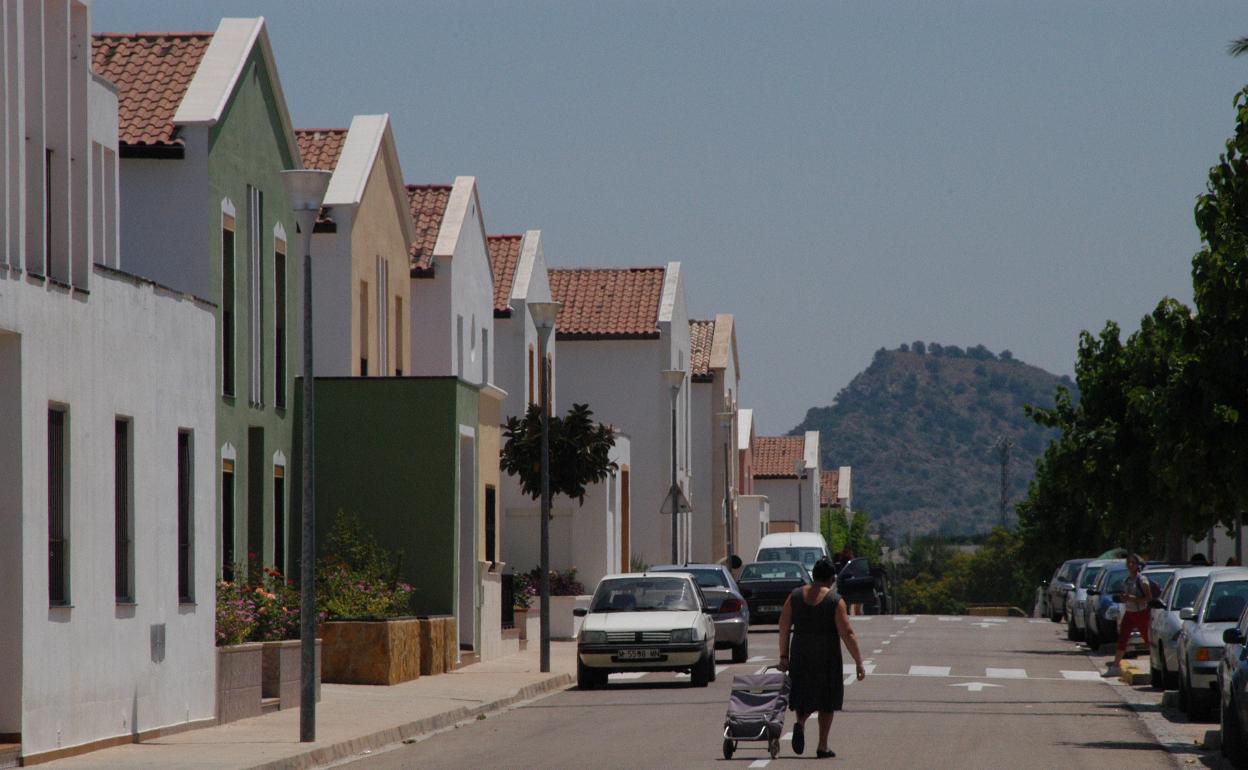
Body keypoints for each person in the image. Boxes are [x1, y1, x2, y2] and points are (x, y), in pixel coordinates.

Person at [777, 557, 866, 758]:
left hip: (800, 652)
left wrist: (784, 655)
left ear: (813, 575)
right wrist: (859, 661)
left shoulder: (795, 596)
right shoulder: (835, 600)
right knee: (827, 700)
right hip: (827, 655)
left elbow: (783, 626)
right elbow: (847, 633)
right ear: (832, 578)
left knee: (803, 695)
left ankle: (800, 722)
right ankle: (822, 745)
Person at [1107, 553, 1151, 676]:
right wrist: (1123, 598)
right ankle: (1115, 666)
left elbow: (1148, 598)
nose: (1130, 565)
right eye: (1129, 563)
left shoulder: (1142, 580)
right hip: (1129, 612)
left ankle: (1155, 665)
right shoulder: (1127, 580)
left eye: (1133, 563)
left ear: (1138, 565)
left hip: (1141, 613)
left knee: (1148, 639)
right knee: (1123, 638)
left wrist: (1132, 598)